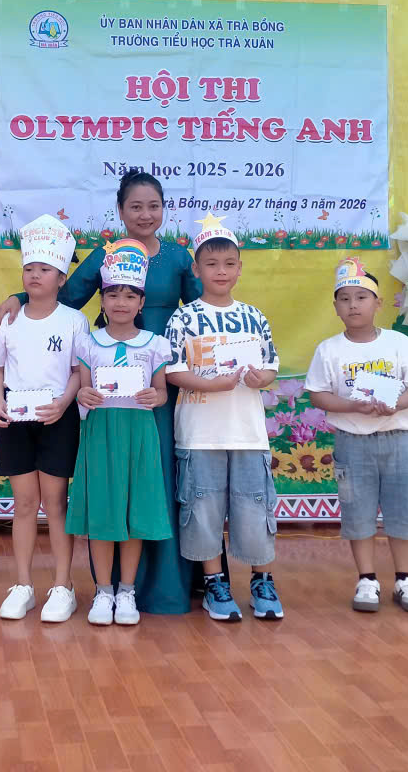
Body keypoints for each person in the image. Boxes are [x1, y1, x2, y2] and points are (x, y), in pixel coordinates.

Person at [0, 171, 202, 614]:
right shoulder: (103, 255)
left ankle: (165, 585)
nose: (145, 214)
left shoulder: (179, 258)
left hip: (157, 385)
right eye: (135, 206)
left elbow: (201, 309)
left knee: (156, 478)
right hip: (108, 390)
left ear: (164, 209)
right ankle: (108, 588)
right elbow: (63, 294)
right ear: (120, 210)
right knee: (112, 478)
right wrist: (19, 296)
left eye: (153, 206)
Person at [164, 213, 282, 622]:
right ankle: (214, 583)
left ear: (240, 268)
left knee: (254, 509)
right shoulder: (183, 318)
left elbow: (270, 367)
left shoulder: (254, 316)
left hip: (248, 433)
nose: (221, 271)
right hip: (200, 434)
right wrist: (211, 384)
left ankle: (262, 581)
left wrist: (260, 378)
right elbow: (173, 370)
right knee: (203, 510)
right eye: (211, 264)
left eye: (229, 263)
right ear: (196, 270)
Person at [305, 258, 408, 613]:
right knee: (357, 510)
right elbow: (318, 394)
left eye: (361, 297)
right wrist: (352, 406)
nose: (353, 305)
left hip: (397, 439)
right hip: (352, 441)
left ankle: (405, 579)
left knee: (403, 509)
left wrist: (396, 404)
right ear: (335, 307)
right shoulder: (329, 349)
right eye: (345, 299)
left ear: (378, 303)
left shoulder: (398, 343)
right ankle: (367, 579)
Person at [67, 240, 174, 626]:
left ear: (141, 303)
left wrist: (155, 396)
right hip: (101, 433)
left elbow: (162, 393)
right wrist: (83, 394)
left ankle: (127, 590)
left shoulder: (155, 345)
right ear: (102, 300)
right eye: (112, 294)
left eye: (130, 296)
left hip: (139, 434)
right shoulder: (88, 342)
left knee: (134, 509)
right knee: (103, 510)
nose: (121, 302)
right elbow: (82, 389)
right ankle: (103, 590)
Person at [0, 214, 88, 622]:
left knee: (56, 503)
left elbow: (79, 371)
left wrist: (63, 404)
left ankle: (63, 586)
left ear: (61, 278)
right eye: (29, 268)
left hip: (56, 419)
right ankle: (23, 585)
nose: (35, 275)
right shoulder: (8, 320)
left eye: (45, 269)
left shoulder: (74, 320)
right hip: (16, 420)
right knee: (25, 503)